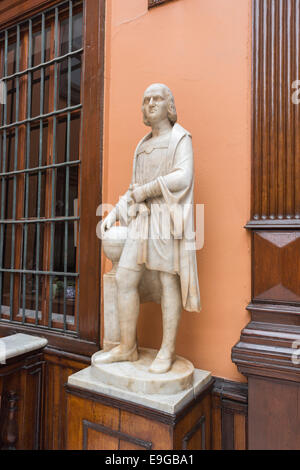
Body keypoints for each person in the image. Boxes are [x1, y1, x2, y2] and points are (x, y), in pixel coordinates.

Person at [97, 83, 201, 374]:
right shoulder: (142, 146)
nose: (150, 104)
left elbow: (183, 177)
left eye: (157, 98)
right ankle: (127, 347)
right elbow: (134, 190)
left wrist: (147, 191)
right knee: (125, 279)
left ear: (169, 104)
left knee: (168, 282)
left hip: (166, 221)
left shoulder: (180, 139)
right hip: (142, 221)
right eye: (146, 100)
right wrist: (114, 213)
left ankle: (167, 350)